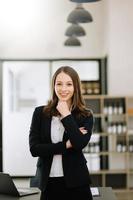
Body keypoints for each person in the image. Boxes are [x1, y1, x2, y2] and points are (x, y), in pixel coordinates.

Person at [29, 66, 94, 200]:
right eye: (59, 84)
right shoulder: (40, 113)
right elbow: (35, 149)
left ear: (75, 86)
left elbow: (79, 144)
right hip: (48, 182)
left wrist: (66, 114)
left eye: (69, 84)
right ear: (53, 86)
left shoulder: (86, 115)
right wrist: (66, 145)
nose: (63, 89)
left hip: (77, 182)